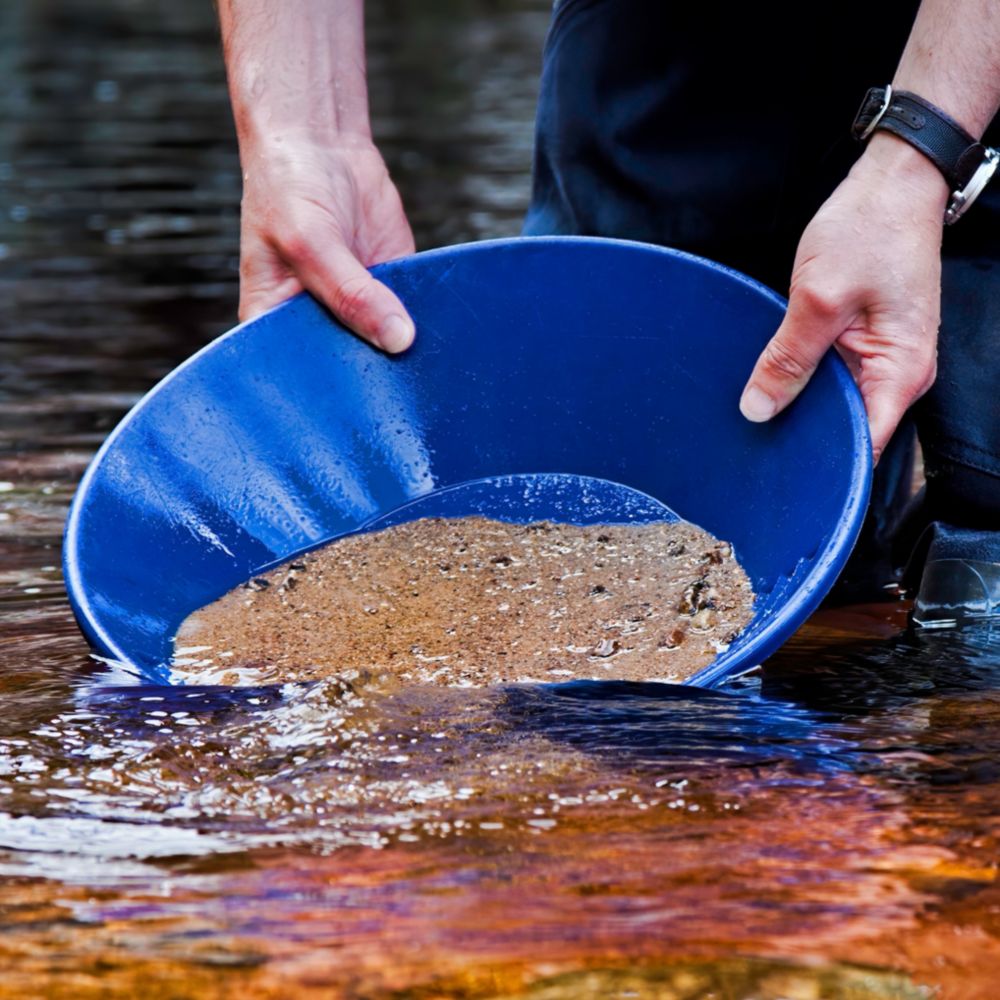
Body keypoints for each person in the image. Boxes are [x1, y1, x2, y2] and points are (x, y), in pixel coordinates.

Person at [216, 0, 1000, 623]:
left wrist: (921, 154)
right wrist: (305, 137)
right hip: (663, 33)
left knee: (980, 529)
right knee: (605, 477)